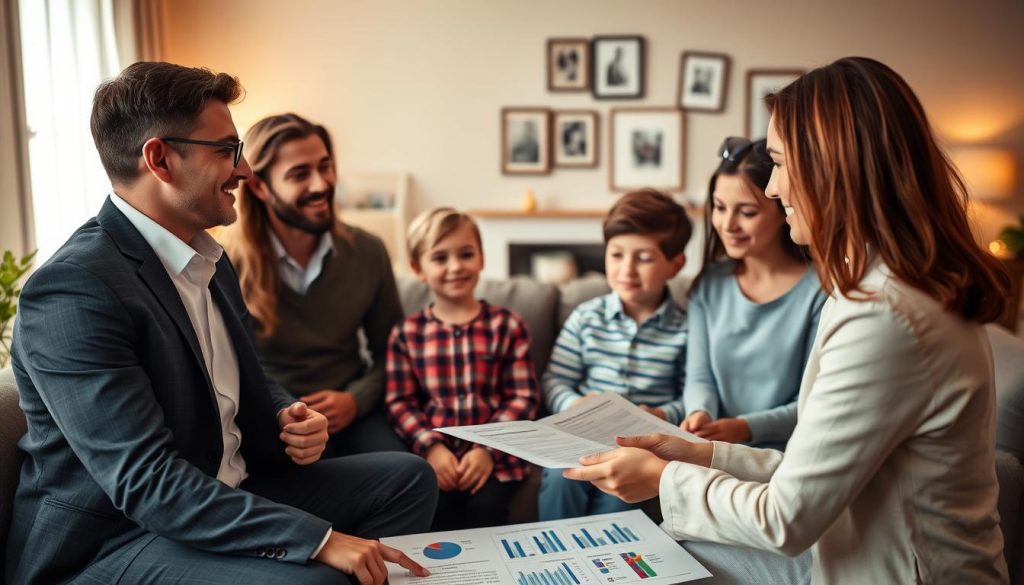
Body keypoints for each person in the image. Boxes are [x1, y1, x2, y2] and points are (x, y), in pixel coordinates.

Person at [563, 57, 1010, 584]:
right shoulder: (873, 289)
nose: (772, 188)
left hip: (900, 572)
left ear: (831, 167)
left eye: (777, 162)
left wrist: (665, 479)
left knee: (664, 559)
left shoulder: (887, 317)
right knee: (669, 553)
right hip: (854, 548)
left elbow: (786, 518)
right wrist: (699, 453)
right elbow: (807, 478)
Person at [7, 62, 436, 585]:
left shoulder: (207, 259)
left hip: (230, 490)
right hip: (120, 538)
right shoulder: (74, 289)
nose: (244, 171)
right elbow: (146, 483)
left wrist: (285, 412)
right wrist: (319, 541)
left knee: (408, 478)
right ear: (160, 159)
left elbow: (241, 374)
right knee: (317, 576)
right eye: (226, 151)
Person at [218, 113, 407, 456]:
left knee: (410, 473)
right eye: (299, 174)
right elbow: (230, 367)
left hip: (352, 412)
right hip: (277, 418)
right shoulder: (223, 262)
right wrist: (285, 411)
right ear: (259, 186)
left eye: (325, 166)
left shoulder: (368, 251)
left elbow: (394, 353)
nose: (321, 184)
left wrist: (355, 399)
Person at [538, 189, 691, 521]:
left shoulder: (686, 328)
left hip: (639, 447)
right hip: (580, 438)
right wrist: (573, 404)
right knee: (560, 479)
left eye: (644, 258)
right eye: (617, 255)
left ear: (675, 264)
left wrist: (662, 415)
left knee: (621, 496)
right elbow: (554, 380)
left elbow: (690, 395)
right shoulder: (585, 317)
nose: (627, 270)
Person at [385, 208, 540, 530]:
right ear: (418, 269)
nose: (455, 266)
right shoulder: (407, 333)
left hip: (495, 460)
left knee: (486, 510)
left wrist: (487, 450)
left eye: (466, 254)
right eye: (440, 258)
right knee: (433, 513)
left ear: (482, 259)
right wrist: (431, 447)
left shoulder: (507, 324)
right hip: (434, 457)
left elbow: (523, 397)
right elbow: (400, 402)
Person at [680, 137, 825, 450]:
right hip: (714, 445)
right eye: (719, 208)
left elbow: (811, 401)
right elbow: (699, 377)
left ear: (782, 210)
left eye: (746, 212)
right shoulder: (709, 284)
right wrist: (699, 413)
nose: (727, 224)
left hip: (788, 454)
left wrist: (745, 428)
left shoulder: (819, 291)